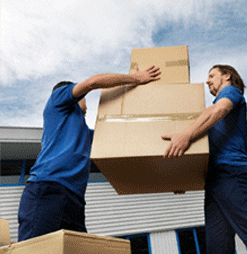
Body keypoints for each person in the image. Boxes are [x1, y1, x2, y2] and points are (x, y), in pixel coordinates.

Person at [18, 65, 161, 242]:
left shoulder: (85, 132)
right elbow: (93, 82)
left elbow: (122, 137)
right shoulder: (57, 100)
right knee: (37, 249)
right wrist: (136, 78)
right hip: (48, 189)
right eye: (83, 96)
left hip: (74, 199)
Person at [162, 65, 247, 254]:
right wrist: (186, 180)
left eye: (212, 75)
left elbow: (220, 109)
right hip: (215, 180)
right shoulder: (209, 115)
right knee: (217, 248)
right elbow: (205, 153)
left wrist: (186, 134)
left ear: (227, 76)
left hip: (231, 173)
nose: (207, 80)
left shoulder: (231, 92)